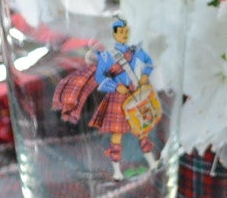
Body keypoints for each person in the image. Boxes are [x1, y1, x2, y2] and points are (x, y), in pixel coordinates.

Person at [60, 18, 162, 180]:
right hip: (118, 97)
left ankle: (152, 163)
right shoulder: (107, 56)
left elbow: (149, 63)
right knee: (117, 135)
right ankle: (117, 171)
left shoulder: (136, 51)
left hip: (135, 92)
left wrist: (145, 76)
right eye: (121, 32)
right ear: (114, 34)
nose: (125, 35)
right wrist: (115, 87)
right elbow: (101, 78)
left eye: (127, 31)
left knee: (143, 130)